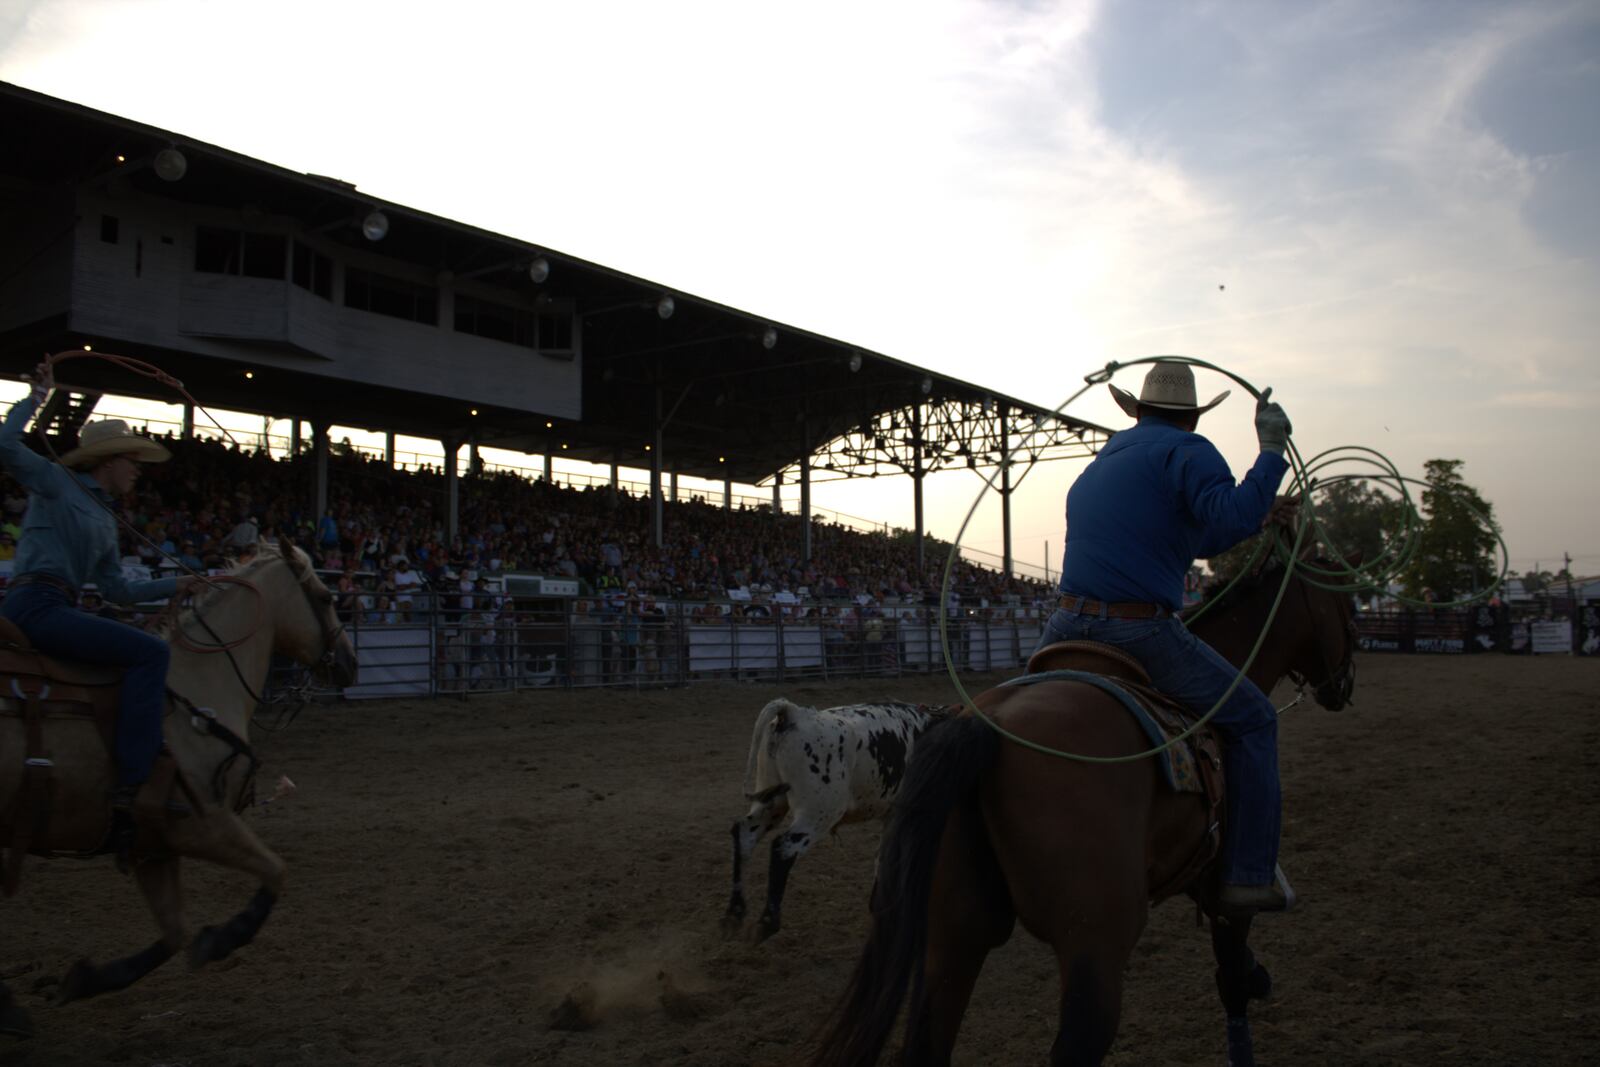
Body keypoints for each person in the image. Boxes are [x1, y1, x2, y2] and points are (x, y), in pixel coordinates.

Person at [1035, 362, 1294, 912]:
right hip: (1136, 630)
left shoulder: (1109, 457)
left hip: (1064, 623)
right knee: (1253, 719)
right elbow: (1231, 519)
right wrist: (1270, 452)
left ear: (1137, 408)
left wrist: (1261, 511)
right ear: (1192, 416)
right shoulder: (1190, 451)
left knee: (1014, 723)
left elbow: (1200, 532)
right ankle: (1249, 873)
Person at [0, 360, 205, 839]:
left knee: (135, 653)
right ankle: (135, 782)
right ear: (108, 461)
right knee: (151, 653)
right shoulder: (56, 482)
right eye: (131, 459)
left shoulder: (104, 520)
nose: (137, 468)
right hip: (36, 605)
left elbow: (116, 592)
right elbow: (5, 446)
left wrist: (173, 586)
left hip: (55, 606)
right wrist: (34, 400)